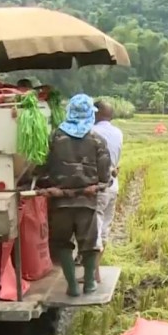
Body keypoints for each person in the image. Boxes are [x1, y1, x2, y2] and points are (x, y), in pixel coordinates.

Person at [38, 93, 111, 297]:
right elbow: (104, 175)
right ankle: (89, 283)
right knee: (88, 243)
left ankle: (71, 285)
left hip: (59, 201)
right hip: (86, 202)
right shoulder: (97, 139)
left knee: (62, 243)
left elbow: (43, 167)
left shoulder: (55, 136)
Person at [88, 100, 123, 284]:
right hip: (113, 185)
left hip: (99, 186)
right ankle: (96, 269)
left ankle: (93, 273)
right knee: (104, 228)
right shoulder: (118, 132)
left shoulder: (93, 133)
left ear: (97, 113)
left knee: (94, 228)